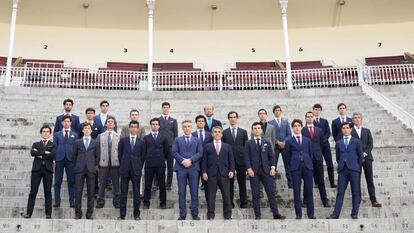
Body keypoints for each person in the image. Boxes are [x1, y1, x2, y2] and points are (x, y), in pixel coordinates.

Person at [244, 122, 285, 220]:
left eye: (258, 128)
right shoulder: (249, 143)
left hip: (266, 171)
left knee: (271, 192)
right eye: (255, 128)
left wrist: (273, 168)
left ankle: (275, 214)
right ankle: (257, 215)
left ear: (261, 130)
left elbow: (272, 156)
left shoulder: (266, 141)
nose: (257, 130)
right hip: (254, 172)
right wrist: (249, 168)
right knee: (255, 194)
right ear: (252, 130)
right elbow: (246, 157)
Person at [328, 122, 363, 219]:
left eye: (347, 128)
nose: (345, 129)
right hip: (343, 170)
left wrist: (356, 166)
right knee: (340, 192)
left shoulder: (356, 141)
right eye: (343, 128)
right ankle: (335, 214)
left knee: (355, 191)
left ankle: (354, 213)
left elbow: (360, 156)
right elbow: (338, 157)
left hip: (354, 170)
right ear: (341, 130)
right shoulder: (338, 143)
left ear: (351, 129)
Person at [23, 125, 56, 219]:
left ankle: (48, 214)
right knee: (33, 192)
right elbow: (32, 153)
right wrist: (45, 152)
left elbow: (53, 154)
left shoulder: (53, 144)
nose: (45, 133)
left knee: (48, 192)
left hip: (48, 170)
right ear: (41, 133)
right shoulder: (35, 144)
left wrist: (40, 153)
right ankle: (29, 213)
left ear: (50, 134)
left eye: (47, 131)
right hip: (36, 170)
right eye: (44, 131)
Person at [172, 120, 203, 220]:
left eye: (189, 126)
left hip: (193, 168)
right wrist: (182, 161)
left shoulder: (197, 140)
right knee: (182, 192)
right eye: (185, 126)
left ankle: (195, 214)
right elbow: (174, 152)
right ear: (182, 128)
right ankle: (182, 214)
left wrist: (190, 160)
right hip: (181, 168)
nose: (187, 128)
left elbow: (200, 153)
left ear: (192, 127)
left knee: (194, 191)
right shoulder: (177, 139)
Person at [202, 126, 235, 220]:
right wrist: (204, 172)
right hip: (211, 174)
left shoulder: (227, 146)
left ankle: (227, 215)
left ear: (221, 134)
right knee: (211, 195)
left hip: (224, 174)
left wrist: (232, 170)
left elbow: (231, 160)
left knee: (226, 195)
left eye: (219, 132)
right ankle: (210, 214)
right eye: (215, 132)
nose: (217, 133)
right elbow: (204, 161)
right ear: (212, 134)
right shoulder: (207, 146)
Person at [285, 119, 315, 219]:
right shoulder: (289, 141)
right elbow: (287, 156)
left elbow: (311, 154)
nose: (297, 127)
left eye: (298, 125)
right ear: (292, 128)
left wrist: (307, 163)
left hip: (307, 167)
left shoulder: (307, 140)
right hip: (295, 168)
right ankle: (298, 214)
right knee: (296, 191)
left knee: (309, 191)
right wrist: (294, 163)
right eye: (295, 126)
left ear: (302, 127)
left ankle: (311, 214)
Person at [351, 112, 382, 207]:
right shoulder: (350, 131)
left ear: (361, 119)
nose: (356, 119)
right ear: (352, 120)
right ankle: (358, 200)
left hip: (367, 158)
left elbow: (370, 144)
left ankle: (373, 199)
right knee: (356, 180)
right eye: (355, 118)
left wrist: (364, 153)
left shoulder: (367, 131)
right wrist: (359, 155)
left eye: (358, 117)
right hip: (356, 159)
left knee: (370, 179)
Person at [302, 112, 330, 208]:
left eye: (311, 116)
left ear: (313, 118)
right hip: (307, 158)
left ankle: (325, 200)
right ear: (305, 118)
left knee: (321, 180)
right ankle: (305, 200)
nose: (310, 118)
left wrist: (318, 152)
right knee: (307, 180)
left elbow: (321, 144)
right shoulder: (302, 130)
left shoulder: (319, 130)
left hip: (318, 157)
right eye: (308, 117)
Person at [118, 121, 145, 220]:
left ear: (137, 129)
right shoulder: (123, 141)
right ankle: (122, 215)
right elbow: (120, 155)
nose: (133, 129)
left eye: (135, 127)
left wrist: (138, 166)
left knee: (136, 193)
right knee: (123, 193)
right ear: (129, 128)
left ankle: (136, 214)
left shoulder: (141, 142)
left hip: (136, 170)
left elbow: (143, 156)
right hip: (125, 169)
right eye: (132, 127)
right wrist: (124, 164)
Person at [222, 111, 249, 208]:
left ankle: (244, 202)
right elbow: (223, 148)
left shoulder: (243, 132)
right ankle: (230, 203)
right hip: (229, 162)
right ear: (228, 119)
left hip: (241, 161)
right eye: (231, 117)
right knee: (229, 183)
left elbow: (246, 148)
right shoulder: (224, 132)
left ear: (237, 118)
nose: (233, 119)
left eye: (234, 117)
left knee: (242, 182)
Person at [72, 123, 100, 220]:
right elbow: (74, 156)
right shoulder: (77, 142)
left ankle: (89, 214)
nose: (87, 130)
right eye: (85, 128)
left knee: (91, 192)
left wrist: (93, 165)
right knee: (78, 192)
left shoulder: (95, 142)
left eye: (89, 128)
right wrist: (77, 165)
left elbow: (97, 156)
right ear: (83, 130)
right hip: (79, 169)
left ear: (91, 131)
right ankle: (78, 213)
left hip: (91, 169)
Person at [143, 118, 169, 209]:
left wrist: (162, 158)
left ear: (159, 126)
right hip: (149, 164)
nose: (154, 126)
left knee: (162, 184)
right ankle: (146, 202)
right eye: (153, 124)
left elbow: (166, 151)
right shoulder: (146, 138)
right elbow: (144, 151)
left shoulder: (163, 137)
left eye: (156, 124)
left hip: (160, 164)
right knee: (148, 184)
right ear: (151, 126)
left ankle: (163, 202)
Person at [96, 117, 121, 209]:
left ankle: (117, 201)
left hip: (115, 163)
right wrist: (97, 163)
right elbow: (97, 150)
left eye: (112, 122)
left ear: (114, 125)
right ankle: (100, 201)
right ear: (106, 124)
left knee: (116, 183)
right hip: (103, 162)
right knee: (102, 183)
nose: (110, 123)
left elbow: (120, 150)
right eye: (108, 122)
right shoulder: (100, 136)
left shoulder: (119, 136)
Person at [53, 115, 77, 208]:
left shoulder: (75, 135)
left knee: (71, 181)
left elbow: (75, 149)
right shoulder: (57, 134)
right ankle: (57, 201)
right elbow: (54, 147)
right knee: (57, 181)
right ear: (62, 123)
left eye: (68, 121)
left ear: (71, 123)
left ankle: (72, 201)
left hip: (70, 160)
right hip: (59, 159)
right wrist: (54, 159)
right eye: (65, 121)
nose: (66, 123)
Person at [268, 105, 293, 189]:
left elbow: (289, 134)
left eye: (279, 110)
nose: (277, 111)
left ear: (281, 111)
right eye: (276, 110)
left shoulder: (285, 122)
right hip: (275, 146)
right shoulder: (270, 123)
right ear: (273, 112)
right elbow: (270, 135)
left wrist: (284, 142)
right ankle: (273, 185)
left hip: (285, 146)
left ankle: (291, 183)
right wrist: (277, 142)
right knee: (273, 165)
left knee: (288, 165)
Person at [313, 104, 336, 188]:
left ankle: (332, 182)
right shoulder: (311, 121)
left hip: (325, 145)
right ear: (313, 110)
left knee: (329, 163)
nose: (317, 111)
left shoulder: (324, 121)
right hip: (315, 146)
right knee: (316, 164)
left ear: (321, 111)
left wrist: (323, 140)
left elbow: (328, 132)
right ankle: (317, 183)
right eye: (315, 109)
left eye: (319, 109)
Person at [192, 115, 213, 202]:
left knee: (208, 185)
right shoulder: (192, 135)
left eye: (202, 121)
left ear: (205, 123)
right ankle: (194, 202)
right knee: (194, 185)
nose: (200, 122)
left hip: (207, 162)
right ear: (196, 123)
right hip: (195, 162)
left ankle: (209, 202)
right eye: (199, 121)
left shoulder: (210, 134)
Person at [159, 102, 178, 190]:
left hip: (170, 146)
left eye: (167, 107)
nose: (166, 109)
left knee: (170, 166)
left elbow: (176, 135)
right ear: (162, 109)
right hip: (160, 146)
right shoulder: (158, 120)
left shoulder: (173, 120)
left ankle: (169, 183)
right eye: (164, 107)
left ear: (169, 109)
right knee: (159, 165)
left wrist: (175, 147)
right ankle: (157, 182)